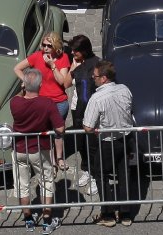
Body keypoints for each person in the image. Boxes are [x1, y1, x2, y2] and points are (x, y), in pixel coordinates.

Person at [81, 61, 139, 227]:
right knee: (124, 174)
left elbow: (88, 127)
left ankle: (108, 215)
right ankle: (126, 214)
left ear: (104, 78)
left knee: (101, 175)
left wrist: (96, 127)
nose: (93, 78)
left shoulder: (97, 98)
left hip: (108, 142)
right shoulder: (125, 89)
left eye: (95, 76)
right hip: (126, 139)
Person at [11, 68, 65, 233]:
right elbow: (60, 129)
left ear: (24, 85)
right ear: (40, 85)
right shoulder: (47, 103)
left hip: (19, 149)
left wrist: (23, 88)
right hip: (39, 149)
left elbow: (19, 96)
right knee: (46, 182)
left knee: (22, 185)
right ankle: (47, 221)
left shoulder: (15, 102)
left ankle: (28, 219)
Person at [65, 36, 103, 204]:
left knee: (93, 143)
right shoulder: (76, 64)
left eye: (76, 51)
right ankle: (86, 169)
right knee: (80, 142)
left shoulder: (97, 64)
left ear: (85, 50)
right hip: (77, 108)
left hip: (91, 109)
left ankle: (95, 174)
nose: (73, 53)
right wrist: (73, 66)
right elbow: (66, 83)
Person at [15, 32, 75, 121]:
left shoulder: (63, 57)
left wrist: (52, 65)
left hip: (58, 103)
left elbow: (62, 81)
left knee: (58, 128)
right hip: (40, 102)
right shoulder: (37, 56)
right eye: (44, 45)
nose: (46, 48)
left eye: (49, 46)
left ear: (56, 46)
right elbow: (17, 68)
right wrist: (27, 81)